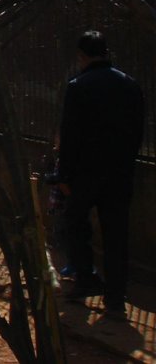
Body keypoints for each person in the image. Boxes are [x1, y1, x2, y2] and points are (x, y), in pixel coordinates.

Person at [57, 30, 145, 315]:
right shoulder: (130, 85)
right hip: (120, 172)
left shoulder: (78, 86)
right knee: (116, 234)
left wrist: (64, 175)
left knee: (74, 222)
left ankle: (86, 278)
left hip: (85, 172)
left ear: (82, 56)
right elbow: (137, 131)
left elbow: (70, 136)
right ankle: (116, 298)